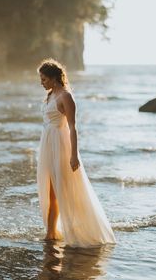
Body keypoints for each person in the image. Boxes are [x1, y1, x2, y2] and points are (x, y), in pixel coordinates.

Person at [36, 57, 116, 248]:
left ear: (54, 77)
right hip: (47, 144)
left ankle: (58, 233)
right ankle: (51, 232)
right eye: (41, 79)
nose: (42, 83)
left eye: (44, 79)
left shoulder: (66, 96)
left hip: (60, 146)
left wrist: (73, 155)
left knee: (60, 191)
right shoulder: (50, 95)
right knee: (49, 190)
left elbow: (73, 127)